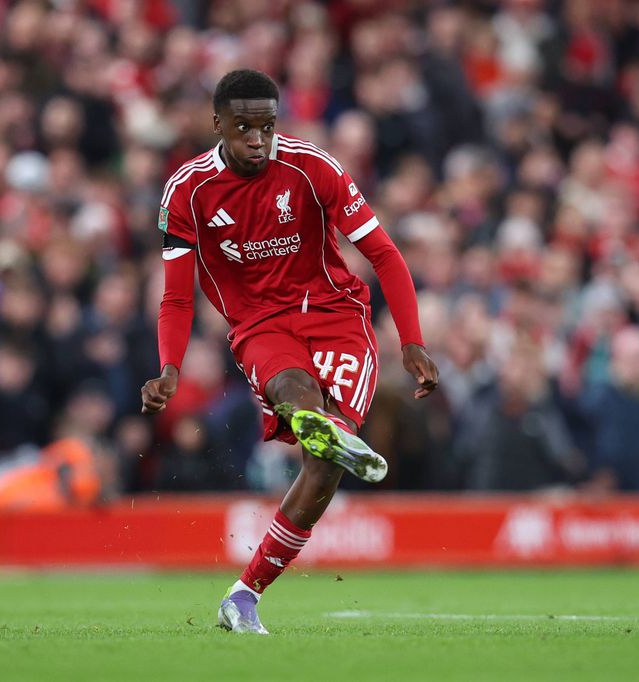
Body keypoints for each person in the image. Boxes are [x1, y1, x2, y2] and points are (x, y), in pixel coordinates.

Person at [139, 70, 439, 635]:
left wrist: (412, 340)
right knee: (294, 392)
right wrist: (170, 367)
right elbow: (177, 296)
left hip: (337, 317)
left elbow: (385, 254)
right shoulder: (187, 190)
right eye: (244, 126)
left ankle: (243, 594)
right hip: (259, 323)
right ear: (218, 124)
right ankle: (311, 420)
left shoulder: (313, 165)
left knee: (324, 463)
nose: (258, 138)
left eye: (268, 126)